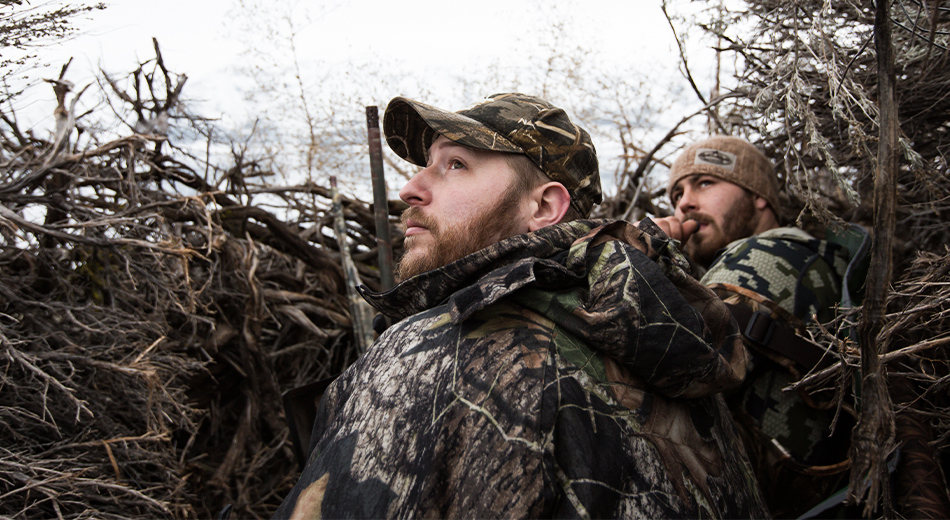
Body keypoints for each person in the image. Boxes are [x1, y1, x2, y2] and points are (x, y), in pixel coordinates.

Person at [272, 94, 768, 519]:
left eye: (456, 165)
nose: (410, 189)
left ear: (543, 208)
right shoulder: (678, 347)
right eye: (425, 165)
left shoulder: (436, 352)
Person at [652, 136, 855, 517]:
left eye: (705, 183)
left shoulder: (764, 254)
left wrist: (630, 261)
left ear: (759, 195)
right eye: (678, 192)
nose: (684, 202)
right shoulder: (807, 258)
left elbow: (666, 363)